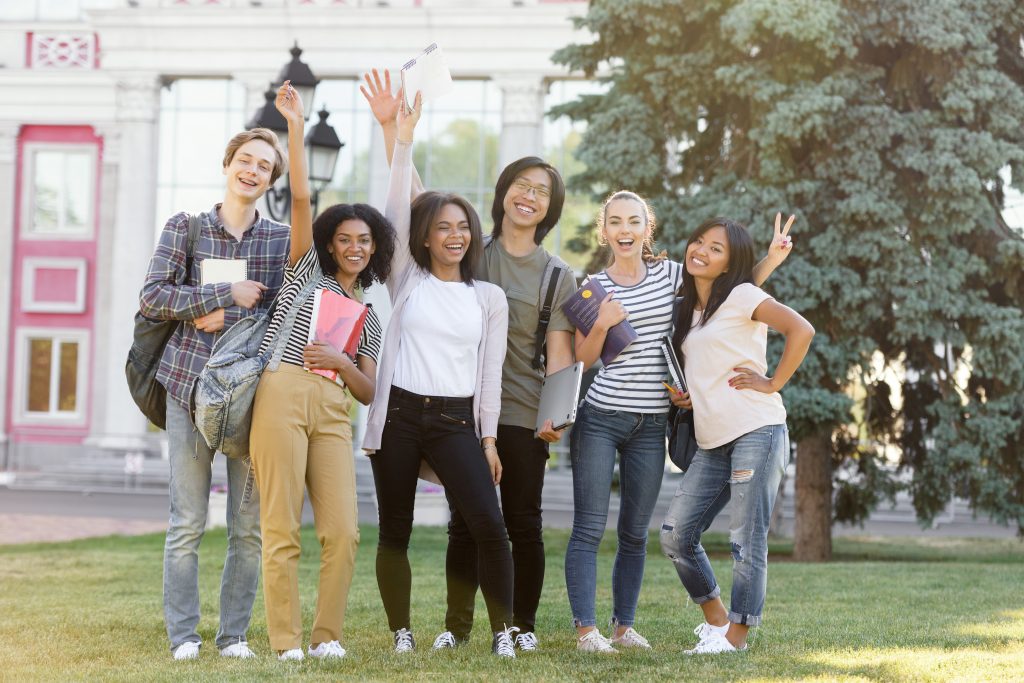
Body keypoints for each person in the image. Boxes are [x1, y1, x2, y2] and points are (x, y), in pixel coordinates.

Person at [360, 68, 576, 652]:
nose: (529, 196)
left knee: (516, 523)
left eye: (542, 192)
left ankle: (518, 628)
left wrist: (557, 412)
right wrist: (397, 133)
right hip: (435, 411)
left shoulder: (551, 275)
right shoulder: (464, 251)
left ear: (551, 207)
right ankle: (453, 628)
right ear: (504, 192)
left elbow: (561, 350)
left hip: (515, 410)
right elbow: (414, 204)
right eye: (521, 186)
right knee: (459, 525)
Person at [565, 192, 792, 653]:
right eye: (614, 221)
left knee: (635, 532)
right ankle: (587, 630)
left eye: (633, 221)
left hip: (652, 422)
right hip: (601, 416)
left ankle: (623, 628)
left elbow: (729, 294)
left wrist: (769, 260)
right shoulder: (592, 286)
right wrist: (604, 323)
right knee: (590, 527)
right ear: (603, 230)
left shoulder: (672, 275)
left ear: (647, 229)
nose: (624, 229)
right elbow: (583, 358)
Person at [248, 83, 394, 661]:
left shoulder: (370, 313)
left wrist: (340, 360)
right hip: (282, 394)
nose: (354, 247)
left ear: (375, 247)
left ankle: (326, 636)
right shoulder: (304, 274)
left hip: (335, 414)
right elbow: (302, 201)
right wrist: (295, 127)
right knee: (281, 528)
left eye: (364, 241)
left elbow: (366, 389)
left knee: (345, 532)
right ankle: (286, 643)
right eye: (345, 240)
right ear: (329, 246)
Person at [140, 119, 290, 658]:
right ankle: (184, 636)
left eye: (264, 167)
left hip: (248, 400)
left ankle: (232, 637)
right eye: (246, 161)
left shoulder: (280, 239)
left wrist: (228, 312)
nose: (253, 171)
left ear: (271, 180)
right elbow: (153, 296)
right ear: (228, 166)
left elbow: (285, 311)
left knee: (247, 528)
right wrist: (218, 297)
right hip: (187, 389)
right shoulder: (187, 227)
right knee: (187, 522)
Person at [660, 216, 813, 655]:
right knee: (675, 535)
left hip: (756, 429)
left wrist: (773, 382)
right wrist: (689, 397)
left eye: (716, 248)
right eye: (698, 241)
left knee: (746, 538)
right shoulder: (691, 308)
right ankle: (718, 623)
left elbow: (801, 330)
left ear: (729, 264)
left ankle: (736, 638)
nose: (701, 251)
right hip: (712, 440)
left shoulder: (743, 295)